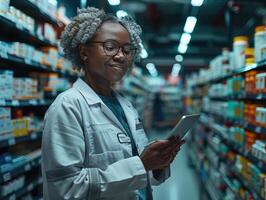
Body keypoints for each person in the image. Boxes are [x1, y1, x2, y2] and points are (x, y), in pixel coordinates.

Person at [41, 7, 185, 200]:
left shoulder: (126, 106)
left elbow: (140, 175)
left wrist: (158, 163)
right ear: (84, 51)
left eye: (127, 50)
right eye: (110, 46)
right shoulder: (67, 107)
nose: (121, 56)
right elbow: (66, 189)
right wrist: (141, 165)